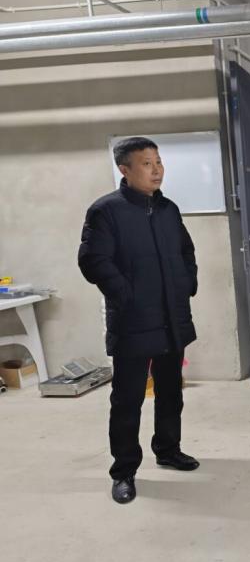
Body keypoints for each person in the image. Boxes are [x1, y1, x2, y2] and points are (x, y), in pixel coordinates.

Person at [78, 136, 200, 504]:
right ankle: (124, 471)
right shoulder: (106, 211)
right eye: (147, 163)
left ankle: (168, 449)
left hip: (172, 318)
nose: (157, 169)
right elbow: (93, 261)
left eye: (159, 162)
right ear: (125, 169)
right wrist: (126, 296)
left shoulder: (168, 209)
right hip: (133, 321)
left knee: (171, 393)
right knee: (127, 401)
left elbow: (186, 251)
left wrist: (187, 284)